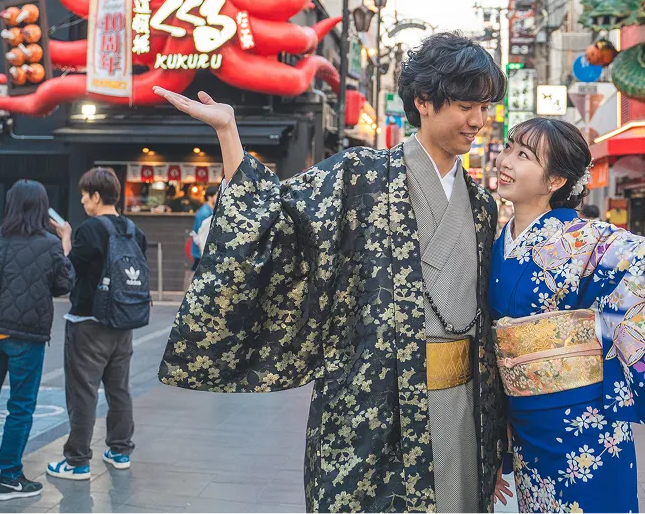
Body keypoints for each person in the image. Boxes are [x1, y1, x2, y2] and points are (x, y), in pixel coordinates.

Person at [155, 32, 508, 512]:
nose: (479, 122)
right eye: (468, 106)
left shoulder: (482, 205)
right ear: (424, 101)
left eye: (485, 108)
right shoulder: (359, 176)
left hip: (463, 405)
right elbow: (273, 219)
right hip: (375, 406)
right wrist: (228, 134)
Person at [489, 112, 645, 513]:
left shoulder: (589, 239)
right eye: (509, 148)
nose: (505, 160)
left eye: (524, 155)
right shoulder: (498, 240)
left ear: (555, 181)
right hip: (524, 425)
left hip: (583, 423)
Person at [0, 181, 74, 501]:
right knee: (20, 407)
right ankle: (8, 477)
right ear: (42, 210)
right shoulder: (48, 243)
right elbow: (64, 284)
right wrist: (66, 242)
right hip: (23, 335)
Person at [47, 168, 147, 480]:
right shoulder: (134, 230)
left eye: (84, 195)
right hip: (123, 322)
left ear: (96, 196)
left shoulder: (89, 229)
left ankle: (77, 461)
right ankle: (119, 450)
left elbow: (67, 273)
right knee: (119, 390)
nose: (82, 200)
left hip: (88, 323)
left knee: (83, 392)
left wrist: (66, 239)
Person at [189, 186, 219, 271]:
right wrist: (202, 252)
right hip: (201, 251)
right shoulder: (204, 213)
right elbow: (199, 235)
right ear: (210, 197)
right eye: (217, 195)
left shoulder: (211, 210)